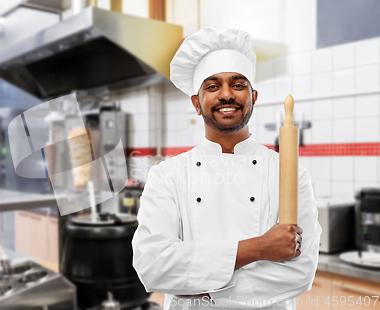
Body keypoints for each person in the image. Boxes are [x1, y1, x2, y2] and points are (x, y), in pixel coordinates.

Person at [131, 28, 322, 310]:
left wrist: (202, 292)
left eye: (238, 84)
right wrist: (259, 248)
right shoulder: (168, 175)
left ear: (253, 96)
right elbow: (152, 265)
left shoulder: (288, 173)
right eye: (212, 86)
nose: (226, 95)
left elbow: (300, 272)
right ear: (196, 103)